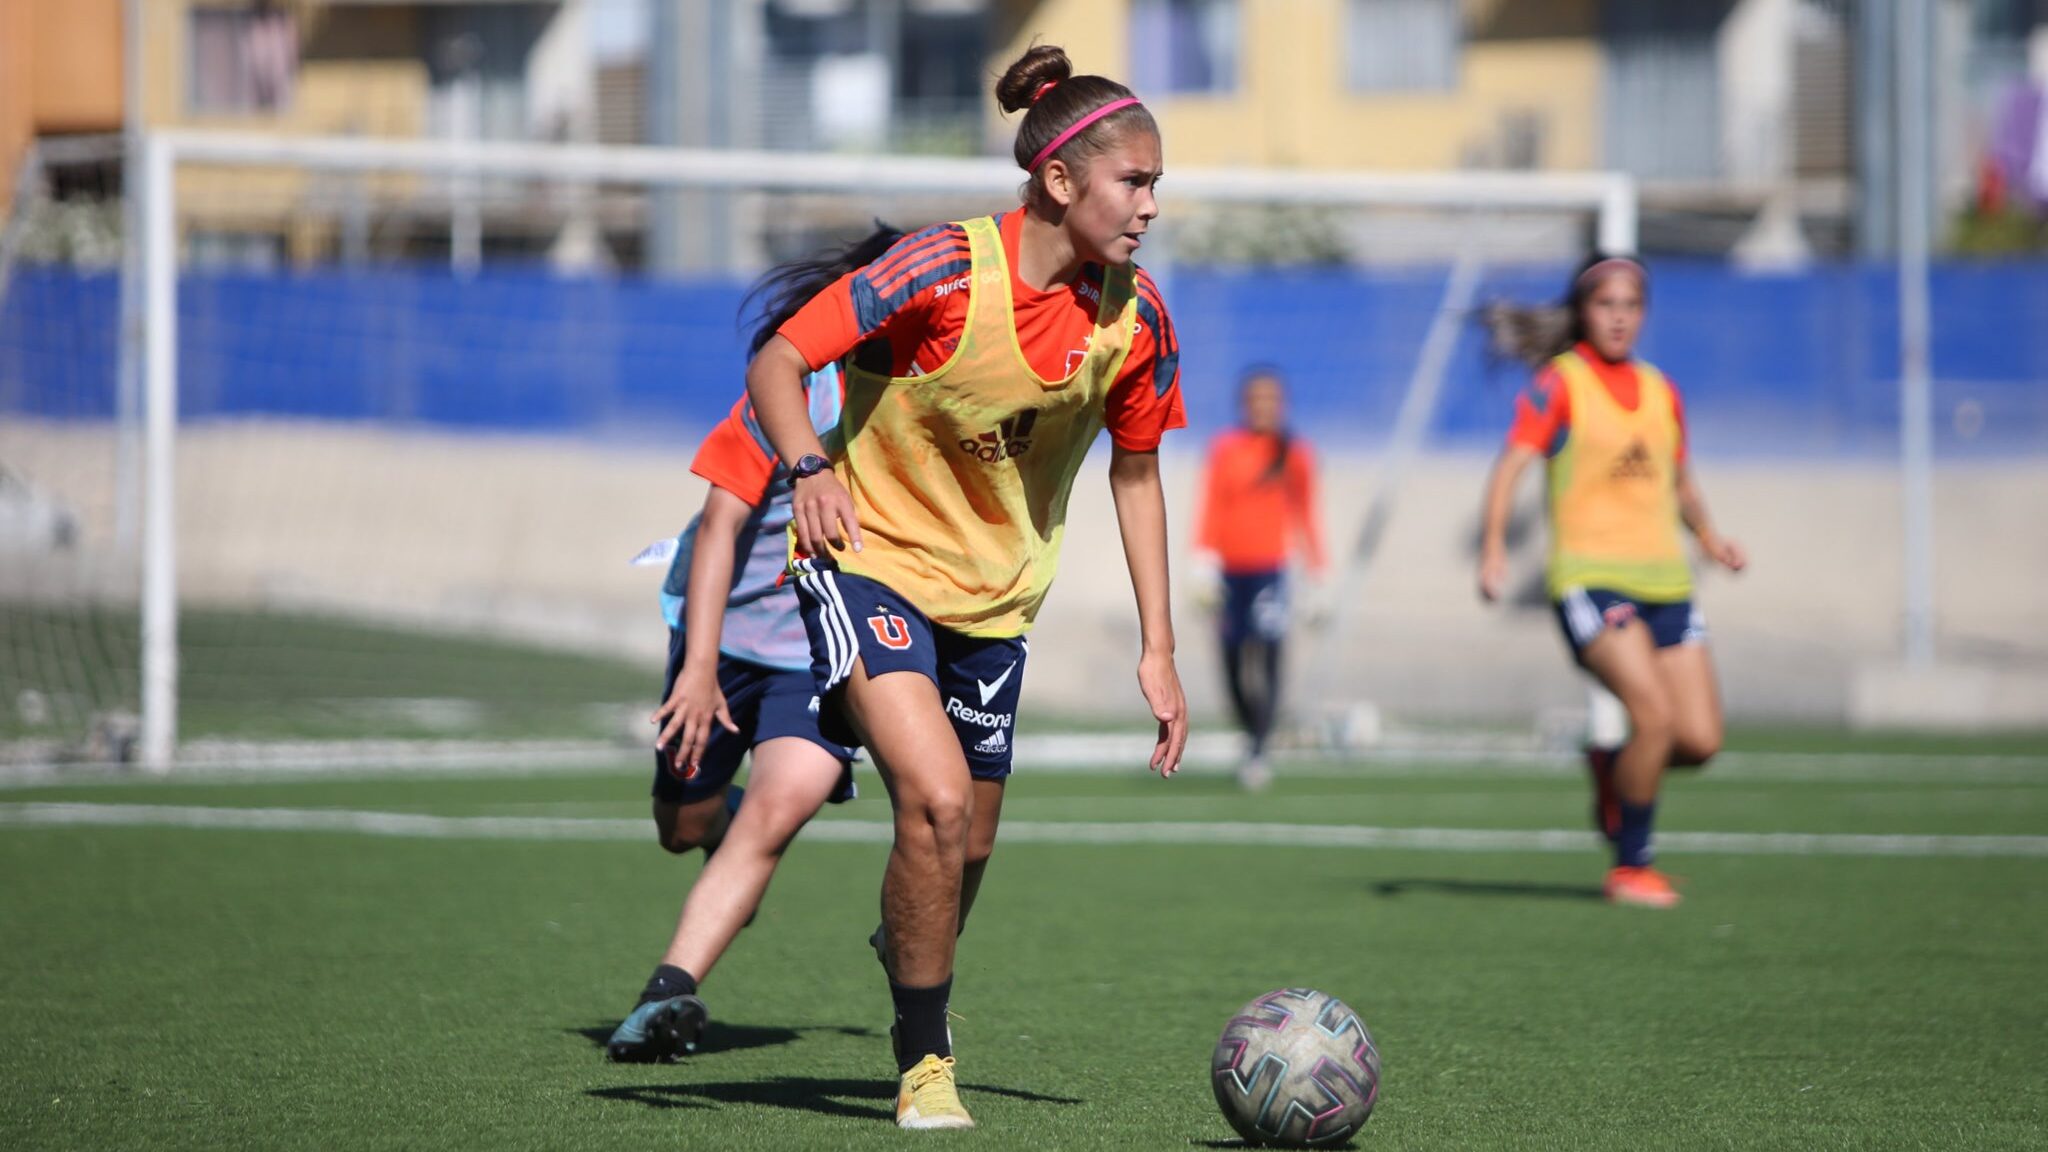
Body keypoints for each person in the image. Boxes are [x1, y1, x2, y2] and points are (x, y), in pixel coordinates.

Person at [744, 44, 1189, 1129]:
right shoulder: (938, 270)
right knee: (935, 803)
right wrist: (808, 468)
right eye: (1133, 183)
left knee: (967, 843)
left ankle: (909, 938)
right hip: (866, 563)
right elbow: (776, 363)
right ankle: (923, 1061)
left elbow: (1137, 479)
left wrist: (1159, 648)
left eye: (1155, 187)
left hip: (995, 603)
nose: (1148, 207)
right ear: (1059, 180)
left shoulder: (1137, 322)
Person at [604, 226, 903, 1063]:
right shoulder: (795, 391)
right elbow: (721, 527)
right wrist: (698, 671)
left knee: (782, 806)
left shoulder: (931, 404)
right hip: (724, 639)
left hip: (816, 649)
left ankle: (666, 994)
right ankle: (719, 821)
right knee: (682, 822)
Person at [1476, 253, 1747, 909]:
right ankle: (1630, 867)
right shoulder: (1559, 383)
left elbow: (1678, 479)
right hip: (1592, 582)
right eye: (1605, 304)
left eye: (1630, 305)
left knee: (1699, 741)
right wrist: (1492, 550)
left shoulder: (1661, 390)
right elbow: (1511, 466)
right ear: (1583, 311)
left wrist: (1710, 538)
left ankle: (1609, 768)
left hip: (1667, 584)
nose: (1619, 317)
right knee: (1651, 717)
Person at [1194, 366, 1326, 791]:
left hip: (1271, 569)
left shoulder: (1295, 453)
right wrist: (1203, 558)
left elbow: (1307, 512)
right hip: (1230, 571)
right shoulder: (1224, 449)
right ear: (1243, 404)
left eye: (1272, 399)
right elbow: (1212, 504)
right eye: (1256, 399)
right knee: (1231, 658)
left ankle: (1258, 749)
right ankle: (1250, 731)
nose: (1264, 407)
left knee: (1268, 653)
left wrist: (1318, 569)